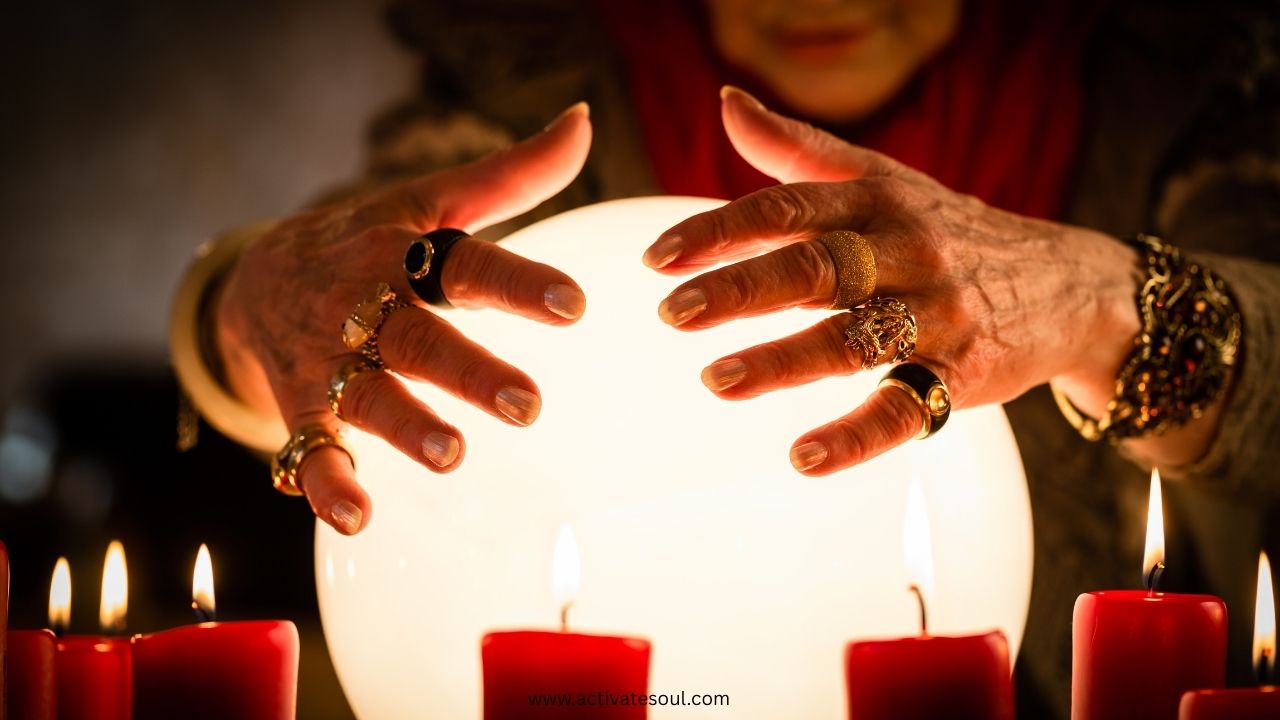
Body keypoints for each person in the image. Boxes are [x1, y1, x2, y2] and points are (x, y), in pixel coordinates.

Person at [169, 0, 1280, 715]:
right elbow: (352, 288)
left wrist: (1114, 307)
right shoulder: (533, 80)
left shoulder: (1192, 84)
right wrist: (245, 308)